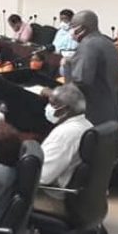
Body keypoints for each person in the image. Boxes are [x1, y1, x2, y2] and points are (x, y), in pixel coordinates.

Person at [34, 84, 93, 217]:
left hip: (52, 199)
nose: (48, 108)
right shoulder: (86, 125)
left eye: (52, 104)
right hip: (78, 200)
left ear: (64, 109)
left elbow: (42, 177)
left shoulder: (66, 133)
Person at [62, 10, 118, 125]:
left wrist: (67, 65)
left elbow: (80, 81)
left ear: (82, 28)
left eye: (73, 27)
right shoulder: (110, 45)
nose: (71, 31)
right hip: (110, 110)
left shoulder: (88, 45)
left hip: (91, 113)